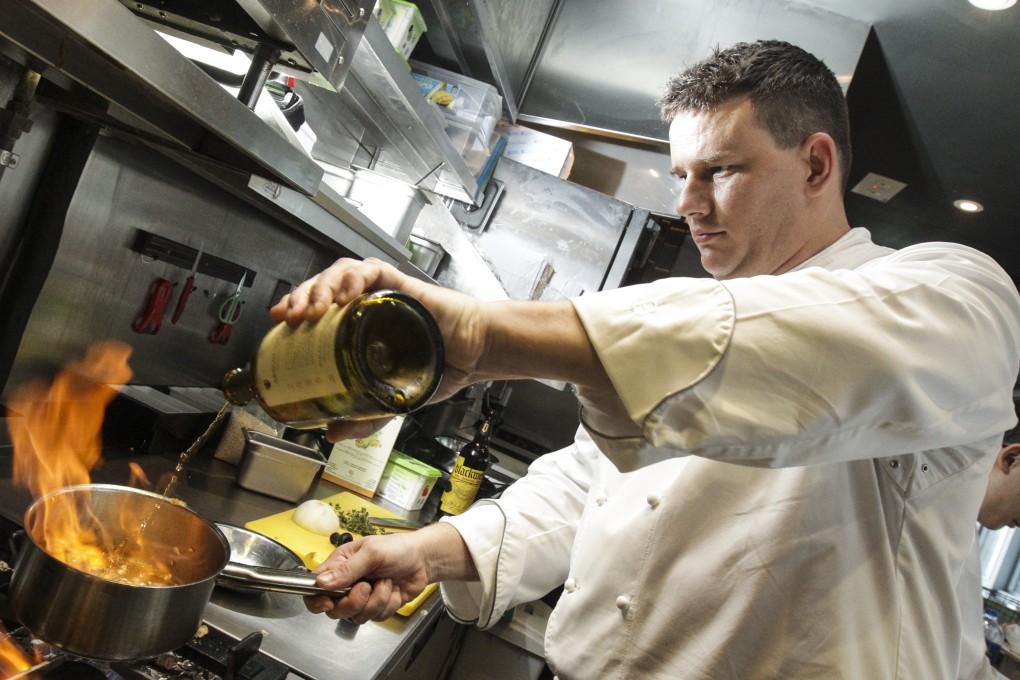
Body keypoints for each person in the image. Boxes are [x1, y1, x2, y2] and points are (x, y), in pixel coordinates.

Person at [271, 40, 1020, 678]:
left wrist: (486, 336)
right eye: (680, 174)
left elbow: (803, 349)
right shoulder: (688, 313)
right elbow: (595, 486)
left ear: (816, 165)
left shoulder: (956, 295)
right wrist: (433, 552)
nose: (688, 203)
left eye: (720, 171)